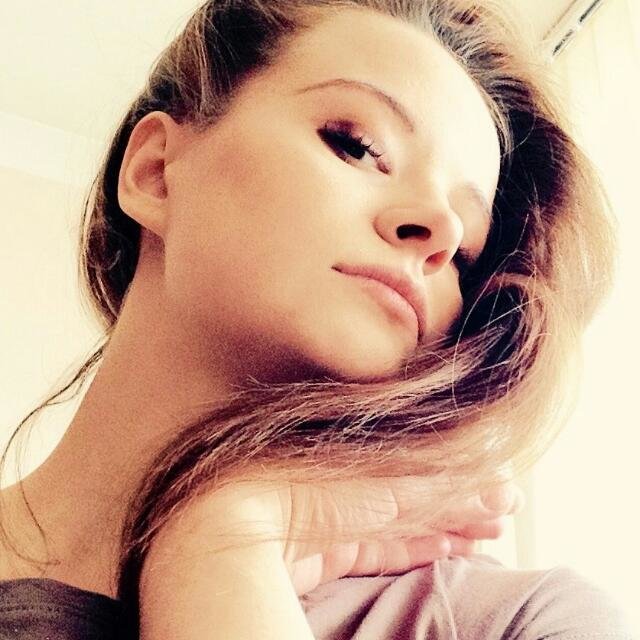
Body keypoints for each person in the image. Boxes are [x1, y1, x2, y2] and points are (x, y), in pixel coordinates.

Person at [0, 0, 635, 638]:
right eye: (358, 147)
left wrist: (224, 542)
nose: (440, 230)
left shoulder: (527, 623)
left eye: (467, 249)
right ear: (156, 173)